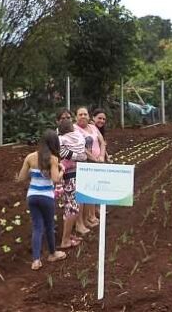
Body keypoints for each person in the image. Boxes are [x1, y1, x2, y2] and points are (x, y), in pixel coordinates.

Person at [16, 130, 68, 270]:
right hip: (46, 196)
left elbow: (21, 178)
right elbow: (56, 179)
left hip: (32, 196)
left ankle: (36, 260)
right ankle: (52, 254)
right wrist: (62, 169)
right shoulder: (52, 159)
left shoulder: (30, 157)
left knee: (37, 227)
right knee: (49, 226)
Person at [57, 118, 87, 248]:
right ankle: (65, 240)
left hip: (73, 173)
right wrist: (78, 156)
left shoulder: (64, 139)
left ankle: (68, 236)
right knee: (72, 207)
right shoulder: (76, 137)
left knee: (72, 206)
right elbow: (63, 153)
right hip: (70, 175)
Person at [75, 107, 106, 231]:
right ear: (76, 117)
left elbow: (102, 142)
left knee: (92, 191)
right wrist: (94, 158)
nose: (83, 116)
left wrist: (102, 156)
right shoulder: (75, 129)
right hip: (85, 164)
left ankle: (89, 217)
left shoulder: (92, 127)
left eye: (85, 114)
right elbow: (82, 147)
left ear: (89, 116)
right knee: (84, 193)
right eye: (80, 114)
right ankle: (81, 221)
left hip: (97, 162)